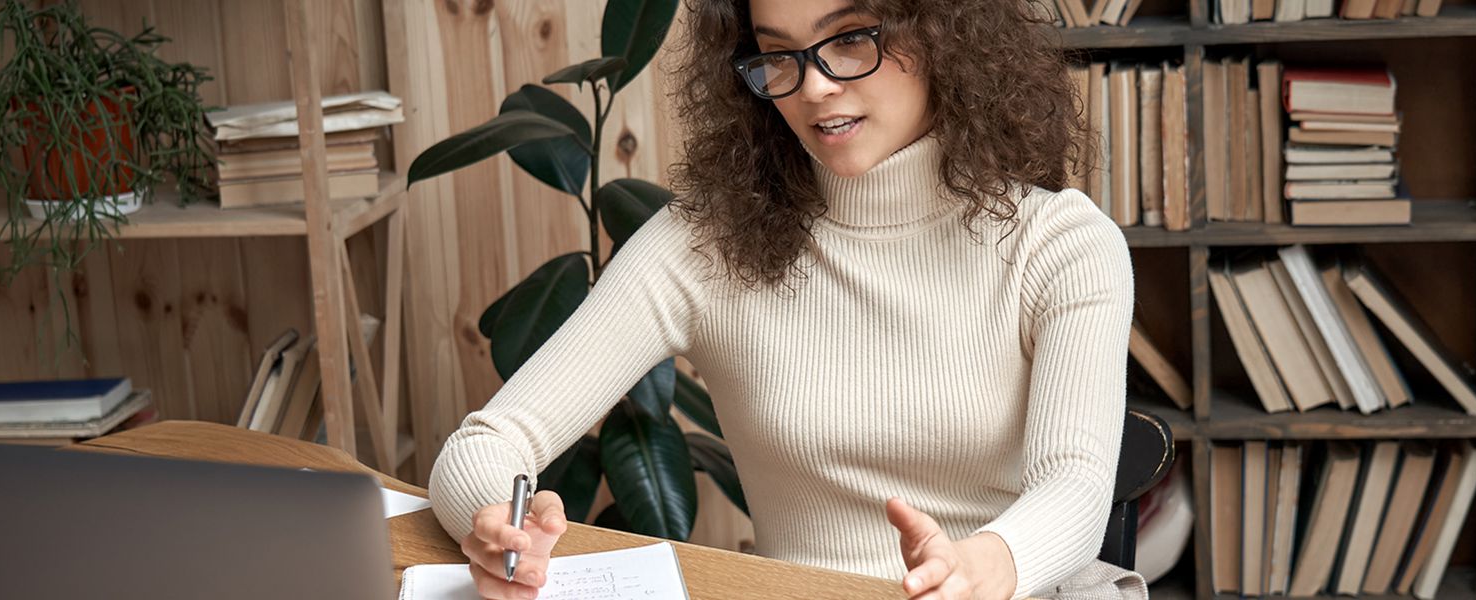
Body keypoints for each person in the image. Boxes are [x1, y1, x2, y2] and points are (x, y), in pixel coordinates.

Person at [430, 0, 1139, 598]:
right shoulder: (706, 242)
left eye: (852, 39)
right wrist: (496, 523)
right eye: (780, 56)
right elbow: (487, 445)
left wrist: (976, 570)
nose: (815, 87)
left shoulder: (1060, 246)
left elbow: (1074, 490)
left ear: (944, 33)